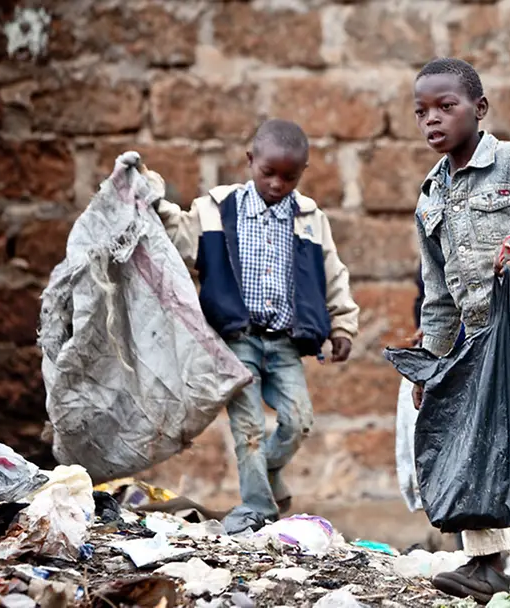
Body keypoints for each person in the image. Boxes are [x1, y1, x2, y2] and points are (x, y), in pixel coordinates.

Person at [119, 119, 359, 534]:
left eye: (289, 176)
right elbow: (176, 235)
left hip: (285, 342)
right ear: (251, 161)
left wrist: (343, 325)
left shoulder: (309, 219)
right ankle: (255, 507)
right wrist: (148, 194)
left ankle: (265, 477)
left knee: (299, 420)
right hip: (235, 341)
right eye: (269, 173)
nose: (278, 184)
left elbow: (332, 273)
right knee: (247, 427)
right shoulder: (215, 210)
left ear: (302, 173)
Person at [409, 57, 510, 608]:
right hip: (479, 336)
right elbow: (437, 296)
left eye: (445, 106)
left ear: (479, 110)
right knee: (492, 442)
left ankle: (487, 564)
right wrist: (431, 362)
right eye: (421, 112)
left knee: (487, 427)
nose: (432, 119)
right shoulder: (429, 196)